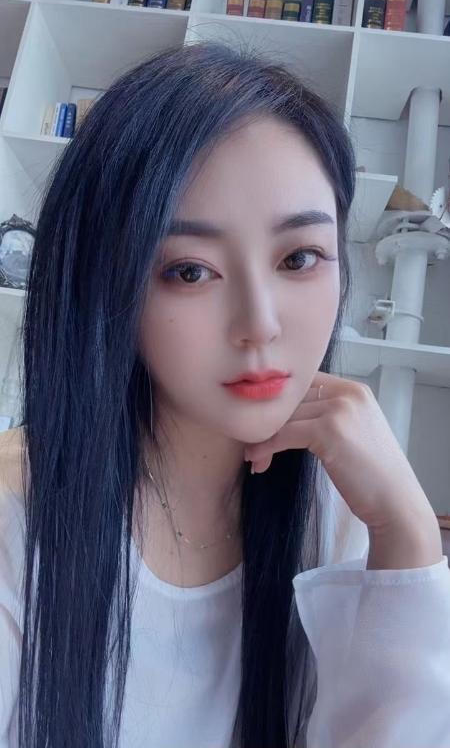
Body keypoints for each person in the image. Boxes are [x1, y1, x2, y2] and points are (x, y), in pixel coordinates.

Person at [0, 40, 449, 748]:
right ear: (104, 286)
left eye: (299, 258)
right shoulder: (16, 518)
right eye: (189, 271)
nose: (260, 324)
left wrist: (410, 535)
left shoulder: (343, 509)